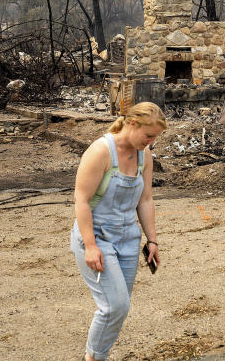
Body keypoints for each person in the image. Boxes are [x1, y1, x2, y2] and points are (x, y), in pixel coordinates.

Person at [70, 101, 166, 361]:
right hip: (97, 236)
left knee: (118, 308)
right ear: (132, 123)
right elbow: (81, 200)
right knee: (115, 306)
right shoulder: (100, 151)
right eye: (149, 136)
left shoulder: (145, 156)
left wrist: (152, 239)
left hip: (128, 239)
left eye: (155, 137)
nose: (151, 142)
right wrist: (90, 245)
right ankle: (93, 359)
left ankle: (96, 356)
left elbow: (145, 200)